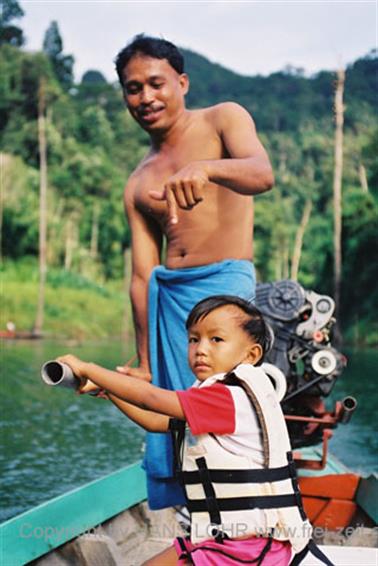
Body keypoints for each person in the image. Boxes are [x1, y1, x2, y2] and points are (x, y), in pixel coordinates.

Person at [115, 34, 274, 509]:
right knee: (173, 419)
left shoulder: (223, 118)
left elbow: (261, 173)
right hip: (171, 303)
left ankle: (248, 521)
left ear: (181, 82)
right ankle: (194, 523)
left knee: (223, 406)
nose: (146, 97)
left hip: (225, 286)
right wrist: (143, 360)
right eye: (133, 88)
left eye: (156, 83)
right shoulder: (140, 180)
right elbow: (143, 277)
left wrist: (207, 169)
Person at [57, 296, 317, 566]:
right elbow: (155, 420)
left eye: (216, 340)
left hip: (252, 547)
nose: (201, 349)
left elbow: (152, 399)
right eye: (194, 339)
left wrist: (89, 368)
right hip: (227, 538)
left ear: (250, 355)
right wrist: (108, 389)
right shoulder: (213, 396)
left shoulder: (228, 397)